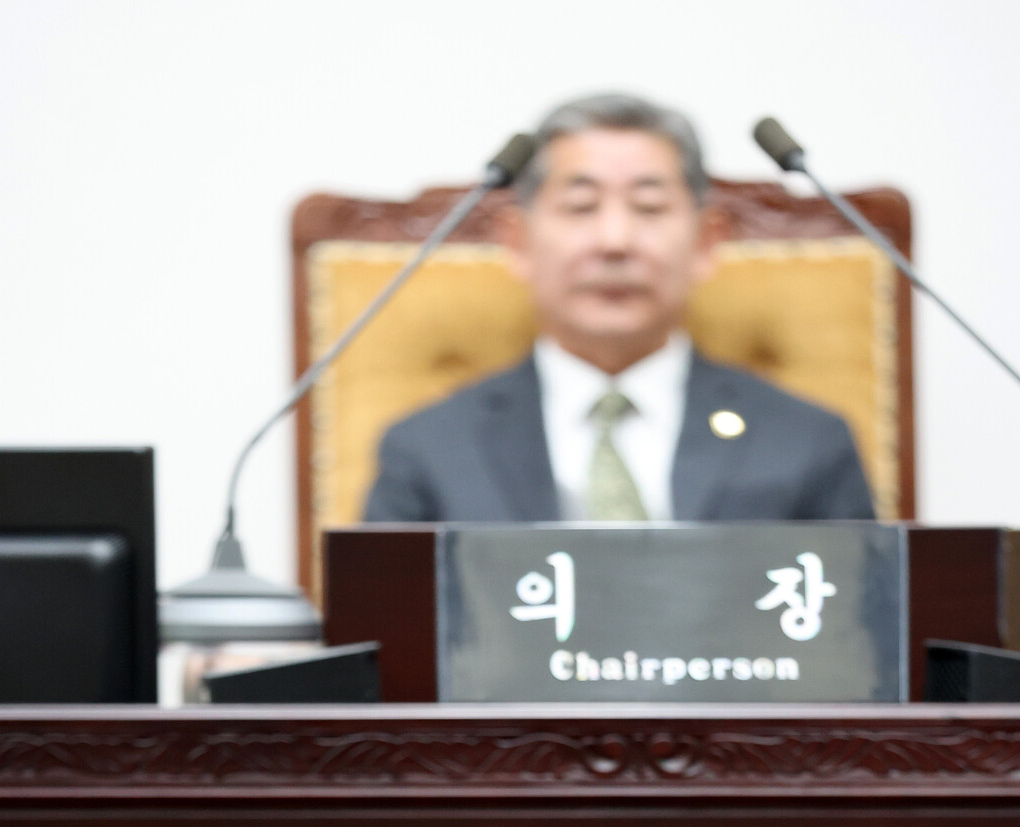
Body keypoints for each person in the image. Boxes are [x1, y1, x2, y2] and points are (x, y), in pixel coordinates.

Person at [364, 94, 876, 526]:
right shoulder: (428, 449)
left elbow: (861, 632)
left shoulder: (807, 441)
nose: (615, 241)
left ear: (706, 240)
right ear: (516, 240)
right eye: (581, 208)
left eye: (649, 208)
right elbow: (388, 634)